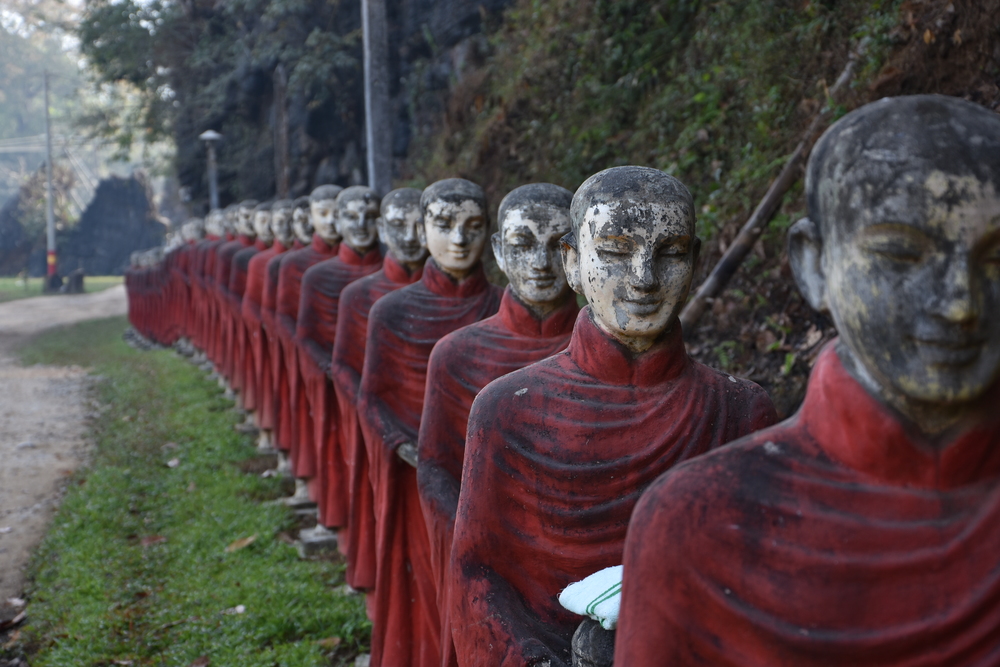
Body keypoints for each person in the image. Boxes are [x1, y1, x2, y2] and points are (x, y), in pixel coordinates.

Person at [614, 95, 1000, 666]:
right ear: (814, 265)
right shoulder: (698, 523)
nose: (959, 303)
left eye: (995, 257)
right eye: (899, 253)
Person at [449, 166, 777, 667]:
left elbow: (764, 581)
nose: (644, 279)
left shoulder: (740, 410)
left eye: (669, 253)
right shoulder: (508, 408)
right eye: (616, 252)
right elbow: (479, 576)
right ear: (574, 264)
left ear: (695, 260)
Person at [417, 183, 579, 667]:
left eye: (557, 245)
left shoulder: (614, 348)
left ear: (579, 254)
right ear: (499, 252)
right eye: (524, 243)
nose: (540, 261)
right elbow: (435, 467)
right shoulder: (456, 354)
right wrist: (479, 543)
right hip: (496, 566)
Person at [358, 178, 502, 667]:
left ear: (490, 234)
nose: (459, 240)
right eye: (444, 225)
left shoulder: (503, 305)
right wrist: (401, 443)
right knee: (426, 587)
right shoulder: (391, 311)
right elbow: (371, 397)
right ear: (423, 229)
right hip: (421, 474)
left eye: (473, 227)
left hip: (500, 483)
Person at [331, 187, 427, 594]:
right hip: (388, 430)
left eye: (417, 225)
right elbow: (345, 369)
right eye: (397, 225)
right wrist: (390, 431)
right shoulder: (360, 297)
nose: (407, 235)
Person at [295, 186, 382, 531]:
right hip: (336, 382)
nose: (360, 224)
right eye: (350, 215)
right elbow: (304, 334)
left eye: (369, 216)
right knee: (338, 453)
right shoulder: (315, 275)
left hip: (383, 393)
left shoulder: (400, 278)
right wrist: (334, 369)